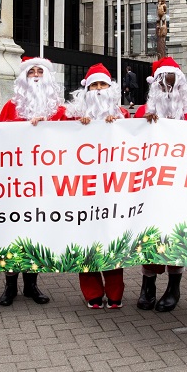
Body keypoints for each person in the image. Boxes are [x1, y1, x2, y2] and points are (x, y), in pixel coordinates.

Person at [0, 56, 64, 307]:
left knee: (36, 233)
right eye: (31, 71)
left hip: (45, 184)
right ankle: (10, 286)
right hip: (15, 184)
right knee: (13, 234)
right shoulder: (11, 107)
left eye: (40, 71)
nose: (35, 75)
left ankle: (31, 285)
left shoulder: (59, 110)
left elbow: (77, 136)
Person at [134, 57, 187, 311]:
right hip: (150, 188)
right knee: (150, 236)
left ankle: (174, 287)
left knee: (175, 237)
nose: (167, 88)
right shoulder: (144, 112)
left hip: (179, 187)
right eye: (163, 84)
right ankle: (147, 285)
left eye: (171, 83)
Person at [66, 64, 128, 307]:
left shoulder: (121, 114)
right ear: (86, 89)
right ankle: (92, 293)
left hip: (112, 189)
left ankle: (115, 294)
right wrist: (76, 125)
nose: (99, 89)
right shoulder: (73, 115)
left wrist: (118, 124)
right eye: (94, 85)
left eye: (103, 84)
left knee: (111, 239)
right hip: (82, 191)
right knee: (86, 241)